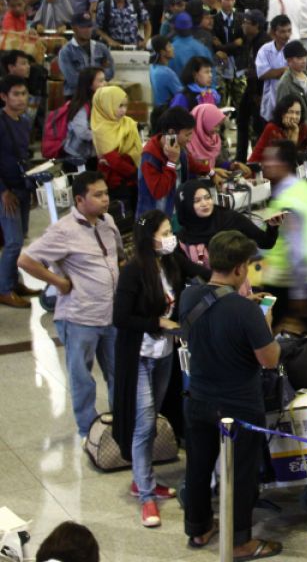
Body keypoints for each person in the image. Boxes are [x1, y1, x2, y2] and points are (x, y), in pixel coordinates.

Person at [178, 230, 282, 560]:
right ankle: (240, 542)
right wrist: (263, 322)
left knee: (198, 465)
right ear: (239, 268)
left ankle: (198, 529)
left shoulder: (188, 298)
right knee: (241, 473)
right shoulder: (246, 312)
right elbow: (270, 359)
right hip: (238, 404)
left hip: (198, 398)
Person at [112, 209, 208, 527]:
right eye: (165, 232)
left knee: (152, 420)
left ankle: (144, 480)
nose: (170, 238)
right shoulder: (134, 271)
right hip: (138, 355)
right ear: (148, 237)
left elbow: (198, 272)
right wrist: (157, 321)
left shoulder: (171, 261)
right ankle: (146, 497)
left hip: (165, 353)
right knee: (143, 425)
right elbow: (121, 317)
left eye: (171, 231)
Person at [19, 172, 122, 437]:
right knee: (82, 378)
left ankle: (121, 424)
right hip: (79, 317)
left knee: (117, 373)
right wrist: (59, 282)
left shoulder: (108, 222)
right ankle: (88, 431)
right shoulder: (63, 231)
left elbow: (117, 257)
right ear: (79, 199)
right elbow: (26, 260)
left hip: (110, 314)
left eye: (106, 193)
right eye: (97, 195)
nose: (105, 199)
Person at [258, 140, 307, 334]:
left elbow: (297, 247)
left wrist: (300, 292)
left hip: (287, 279)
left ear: (284, 164)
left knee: (261, 325)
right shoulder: (302, 188)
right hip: (293, 277)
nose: (264, 164)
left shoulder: (288, 200)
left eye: (269, 160)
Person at [0, 76, 34, 308]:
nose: (21, 99)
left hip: (22, 186)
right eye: (16, 94)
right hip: (6, 191)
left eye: (24, 94)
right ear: (4, 96)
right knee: (12, 241)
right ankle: (3, 289)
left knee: (20, 238)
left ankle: (13, 281)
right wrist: (3, 191)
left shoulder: (25, 121)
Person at [136, 107, 198, 218]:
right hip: (150, 219)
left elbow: (193, 165)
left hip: (173, 211)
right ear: (172, 132)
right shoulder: (149, 156)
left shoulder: (179, 147)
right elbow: (159, 192)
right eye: (187, 135)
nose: (190, 139)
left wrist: (211, 173)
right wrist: (172, 162)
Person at [58, 15, 115, 97]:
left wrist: (86, 78)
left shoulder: (102, 48)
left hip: (99, 94)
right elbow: (73, 80)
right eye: (83, 27)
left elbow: (110, 72)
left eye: (89, 26)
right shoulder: (66, 52)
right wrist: (97, 79)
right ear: (74, 28)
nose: (88, 30)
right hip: (75, 96)